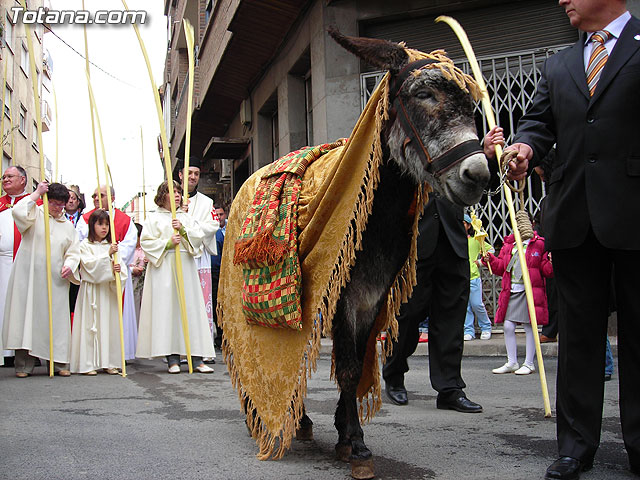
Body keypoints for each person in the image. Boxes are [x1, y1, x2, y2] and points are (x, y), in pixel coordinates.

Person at [503, 1, 640, 477]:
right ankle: (574, 447)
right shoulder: (559, 63)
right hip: (573, 217)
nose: (563, 1)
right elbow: (539, 125)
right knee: (578, 338)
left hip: (634, 214)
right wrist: (524, 148)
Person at [382, 127, 503, 410]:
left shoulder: (461, 143)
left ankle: (450, 388)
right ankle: (394, 374)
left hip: (454, 241)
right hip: (416, 243)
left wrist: (487, 155)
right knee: (408, 316)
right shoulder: (407, 144)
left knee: (451, 319)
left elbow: (483, 182)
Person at [2, 181, 80, 377]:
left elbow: (73, 252)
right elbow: (18, 212)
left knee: (56, 322)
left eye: (61, 204)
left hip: (55, 281)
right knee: (27, 318)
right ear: (46, 201)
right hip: (29, 278)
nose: (56, 208)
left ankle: (59, 363)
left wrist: (69, 265)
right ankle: (24, 365)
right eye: (53, 203)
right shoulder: (34, 215)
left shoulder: (68, 226)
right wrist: (37, 193)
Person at [136, 181, 214, 374]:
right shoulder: (153, 219)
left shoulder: (185, 218)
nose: (177, 195)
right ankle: (172, 358)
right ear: (162, 196)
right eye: (172, 192)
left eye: (179, 192)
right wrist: (167, 243)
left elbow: (198, 238)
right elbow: (146, 242)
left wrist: (184, 230)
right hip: (164, 270)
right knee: (168, 312)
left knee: (191, 310)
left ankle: (196, 358)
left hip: (185, 267)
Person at [483, 216, 553, 375]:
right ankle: (512, 361)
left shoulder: (539, 244)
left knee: (530, 326)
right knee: (508, 326)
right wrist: (491, 260)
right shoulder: (509, 244)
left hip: (529, 290)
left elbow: (545, 270)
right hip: (512, 290)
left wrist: (551, 261)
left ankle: (529, 363)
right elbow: (501, 267)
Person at [77, 185, 138, 361]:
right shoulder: (85, 219)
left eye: (101, 195)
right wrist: (102, 259)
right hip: (94, 276)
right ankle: (93, 356)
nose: (96, 198)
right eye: (94, 195)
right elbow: (81, 242)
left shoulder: (125, 220)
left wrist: (114, 262)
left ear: (112, 197)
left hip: (115, 273)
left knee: (115, 315)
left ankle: (117, 355)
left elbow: (129, 244)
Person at [69, 209, 127, 375]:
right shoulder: (84, 246)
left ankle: (109, 361)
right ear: (92, 225)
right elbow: (88, 268)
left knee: (108, 325)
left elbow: (121, 270)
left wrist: (116, 270)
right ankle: (89, 363)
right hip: (91, 292)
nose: (104, 228)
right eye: (100, 224)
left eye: (107, 224)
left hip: (107, 293)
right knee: (91, 325)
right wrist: (106, 259)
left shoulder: (113, 247)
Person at [178, 158, 220, 352]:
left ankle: (202, 348)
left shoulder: (207, 202)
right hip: (179, 257)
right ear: (180, 175)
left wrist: (190, 226)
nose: (192, 177)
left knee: (202, 303)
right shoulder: (172, 201)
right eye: (189, 173)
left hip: (200, 258)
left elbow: (213, 225)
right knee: (180, 303)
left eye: (196, 173)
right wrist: (179, 214)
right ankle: (179, 347)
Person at [0, 166, 31, 366]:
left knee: (24, 306)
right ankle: (4, 351)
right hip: (3, 262)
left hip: (26, 261)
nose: (5, 180)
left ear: (23, 179)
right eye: (3, 177)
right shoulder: (0, 204)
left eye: (10, 176)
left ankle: (26, 352)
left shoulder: (35, 201)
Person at [463, 213, 494, 341]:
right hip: (461, 277)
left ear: (469, 225)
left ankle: (486, 327)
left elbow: (490, 250)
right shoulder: (456, 240)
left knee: (477, 304)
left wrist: (481, 262)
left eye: (463, 223)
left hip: (473, 277)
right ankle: (468, 330)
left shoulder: (475, 240)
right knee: (465, 306)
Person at [65, 185, 85, 324]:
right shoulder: (57, 218)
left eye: (74, 198)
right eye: (68, 198)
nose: (71, 201)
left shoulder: (85, 220)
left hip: (80, 265)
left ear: (78, 202)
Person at [210, 204, 227, 350]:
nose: (219, 217)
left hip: (221, 273)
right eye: (216, 215)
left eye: (221, 214)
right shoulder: (213, 231)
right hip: (210, 272)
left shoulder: (226, 231)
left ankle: (222, 336)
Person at [129, 223, 147, 326]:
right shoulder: (129, 250)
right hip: (132, 283)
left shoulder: (145, 250)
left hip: (143, 282)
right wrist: (132, 269)